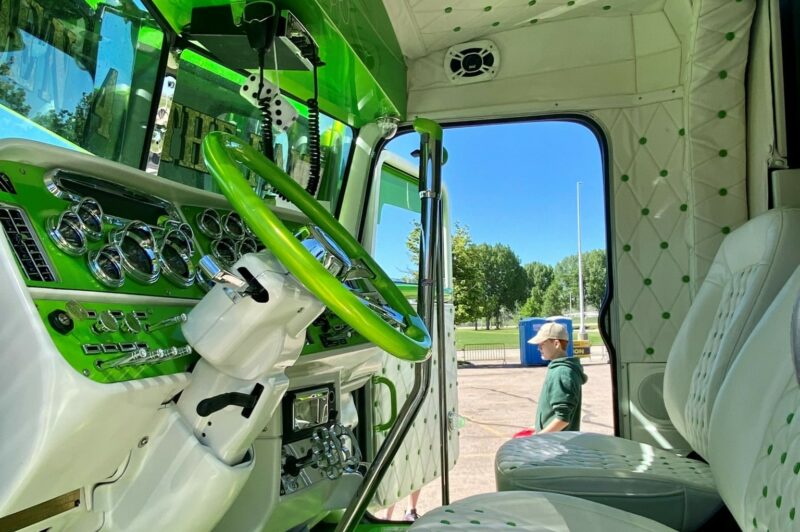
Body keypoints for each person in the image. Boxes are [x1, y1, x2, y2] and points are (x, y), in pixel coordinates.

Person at [528, 322, 588, 433]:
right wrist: (536, 427)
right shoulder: (557, 369)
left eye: (541, 344)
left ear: (556, 344)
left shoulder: (562, 372)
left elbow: (562, 419)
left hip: (555, 445)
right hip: (553, 442)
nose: (539, 348)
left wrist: (538, 440)